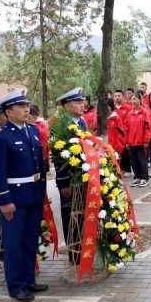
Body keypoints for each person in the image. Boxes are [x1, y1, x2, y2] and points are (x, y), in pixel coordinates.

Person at [0, 90, 49, 302]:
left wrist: (42, 192)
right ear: (8, 111)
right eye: (21, 106)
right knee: (14, 243)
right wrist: (4, 201)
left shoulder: (33, 131)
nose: (27, 109)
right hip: (14, 198)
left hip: (33, 195)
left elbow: (40, 164)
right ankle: (16, 286)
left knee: (29, 241)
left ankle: (28, 280)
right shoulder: (1, 137)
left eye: (27, 105)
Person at [51, 88, 88, 256]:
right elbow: (58, 156)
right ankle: (74, 250)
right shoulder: (59, 124)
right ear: (66, 105)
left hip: (83, 177)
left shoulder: (82, 122)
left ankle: (84, 247)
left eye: (82, 101)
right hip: (70, 180)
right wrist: (63, 182)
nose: (83, 105)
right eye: (78, 102)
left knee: (82, 214)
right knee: (70, 214)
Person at [124, 94, 151, 188]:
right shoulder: (129, 114)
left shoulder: (144, 113)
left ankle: (144, 178)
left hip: (141, 142)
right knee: (133, 161)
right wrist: (126, 141)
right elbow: (127, 129)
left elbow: (147, 128)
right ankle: (137, 177)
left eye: (135, 99)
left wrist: (146, 141)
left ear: (140, 100)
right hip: (131, 142)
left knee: (142, 160)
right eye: (132, 99)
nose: (133, 101)